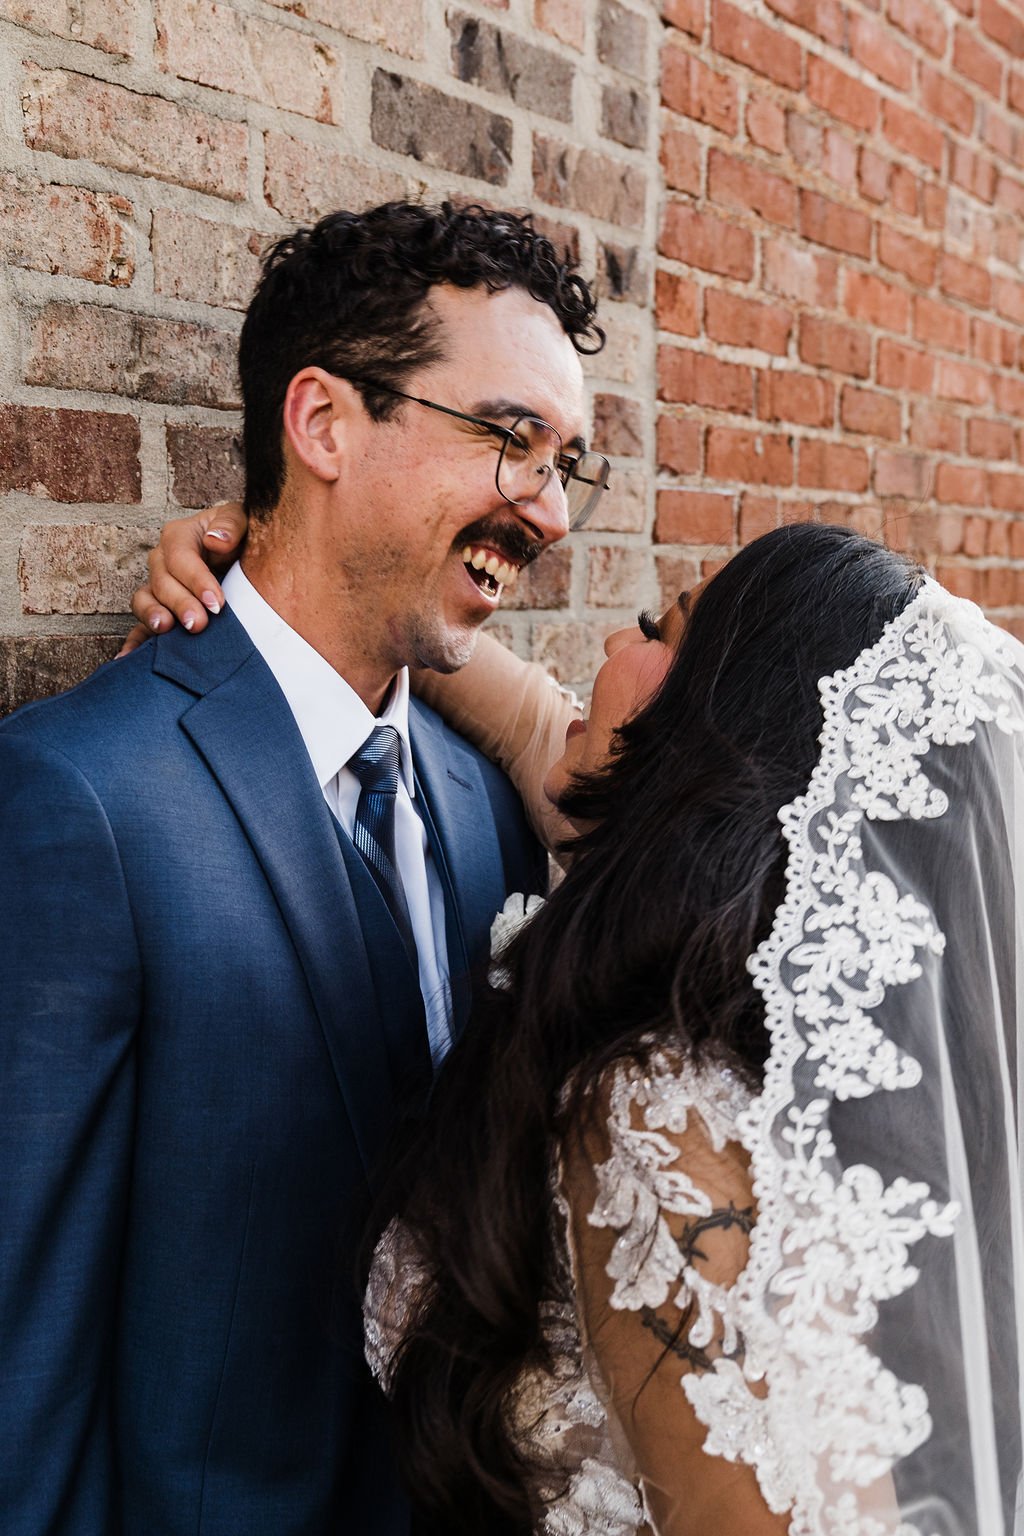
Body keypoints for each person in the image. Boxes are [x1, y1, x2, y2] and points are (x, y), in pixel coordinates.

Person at [129, 518, 1024, 1534]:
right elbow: (531, 725)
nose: (604, 649)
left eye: (655, 628)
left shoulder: (657, 1111)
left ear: (715, 730)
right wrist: (291, 582)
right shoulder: (743, 999)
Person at [0, 201, 612, 1536]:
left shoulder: (486, 798)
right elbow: (23, 1355)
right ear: (325, 423)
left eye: (568, 465)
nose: (551, 515)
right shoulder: (81, 797)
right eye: (512, 441)